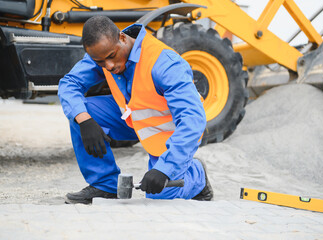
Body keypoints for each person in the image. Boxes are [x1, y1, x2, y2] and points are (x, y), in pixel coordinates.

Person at [57, 16, 213, 204]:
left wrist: (165, 168)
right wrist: (84, 120)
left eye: (112, 57)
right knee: (81, 111)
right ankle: (105, 186)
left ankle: (197, 175)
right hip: (134, 120)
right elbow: (69, 84)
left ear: (122, 38)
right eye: (100, 63)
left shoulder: (164, 63)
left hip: (170, 131)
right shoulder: (104, 53)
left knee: (160, 196)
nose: (109, 66)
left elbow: (192, 119)